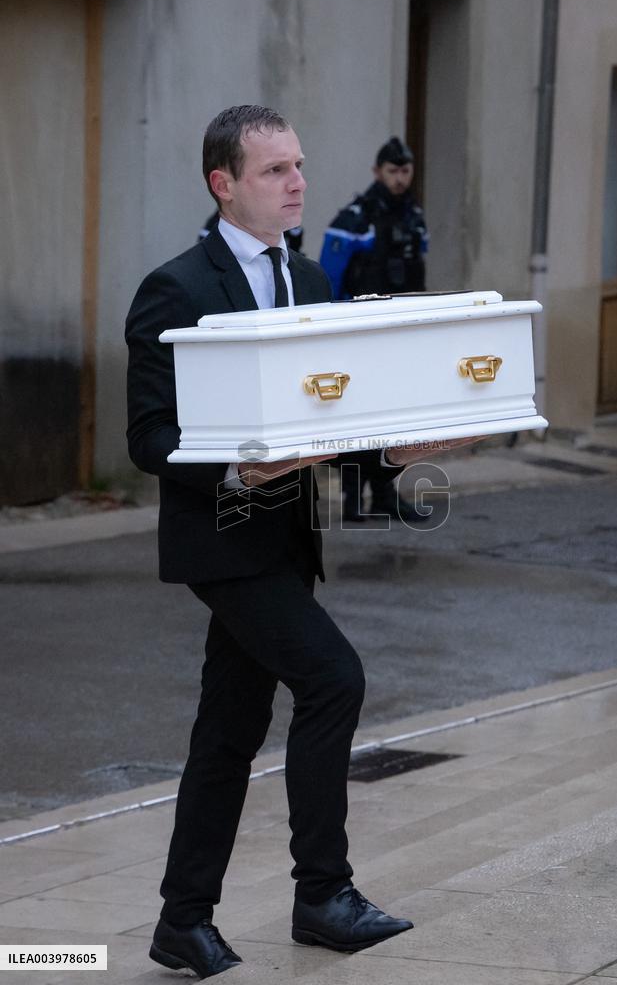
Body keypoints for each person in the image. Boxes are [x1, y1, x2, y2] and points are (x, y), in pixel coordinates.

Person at [126, 105, 474, 980]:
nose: (297, 183)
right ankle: (323, 894)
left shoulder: (312, 280)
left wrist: (400, 456)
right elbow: (147, 437)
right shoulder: (176, 288)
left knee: (229, 731)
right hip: (221, 540)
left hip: (288, 543)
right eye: (275, 170)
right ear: (224, 184)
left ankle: (181, 921)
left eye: (299, 165)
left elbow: (338, 425)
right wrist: (239, 470)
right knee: (332, 679)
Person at [320, 137, 430, 522]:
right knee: (356, 417)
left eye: (405, 171)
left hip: (400, 331)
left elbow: (418, 276)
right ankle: (352, 498)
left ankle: (384, 495)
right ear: (377, 172)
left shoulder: (414, 217)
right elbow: (328, 278)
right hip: (359, 332)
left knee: (395, 416)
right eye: (392, 171)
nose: (400, 178)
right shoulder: (355, 218)